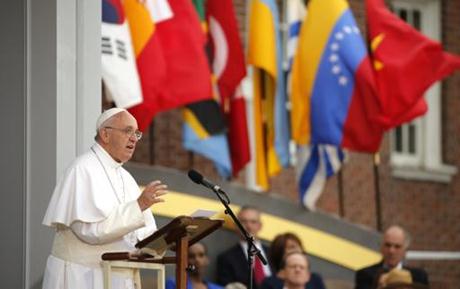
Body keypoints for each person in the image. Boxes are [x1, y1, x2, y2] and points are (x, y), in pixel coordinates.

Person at [41, 108, 168, 289]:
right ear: (105, 134)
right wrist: (139, 205)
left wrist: (168, 239)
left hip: (118, 276)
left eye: (136, 133)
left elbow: (143, 233)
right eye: (127, 131)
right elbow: (91, 231)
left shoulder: (126, 177)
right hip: (81, 276)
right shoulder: (82, 169)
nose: (134, 138)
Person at [355, 225, 429, 289]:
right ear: (381, 248)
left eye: (397, 247)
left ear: (405, 251)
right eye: (388, 245)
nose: (391, 251)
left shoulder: (419, 276)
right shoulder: (365, 275)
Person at [216, 206, 272, 289]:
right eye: (244, 222)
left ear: (260, 226)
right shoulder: (226, 258)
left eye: (253, 222)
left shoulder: (273, 252)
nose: (249, 226)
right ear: (236, 225)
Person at [261, 233, 325, 289]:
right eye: (293, 266)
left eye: (293, 247)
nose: (298, 270)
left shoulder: (315, 280)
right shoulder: (269, 283)